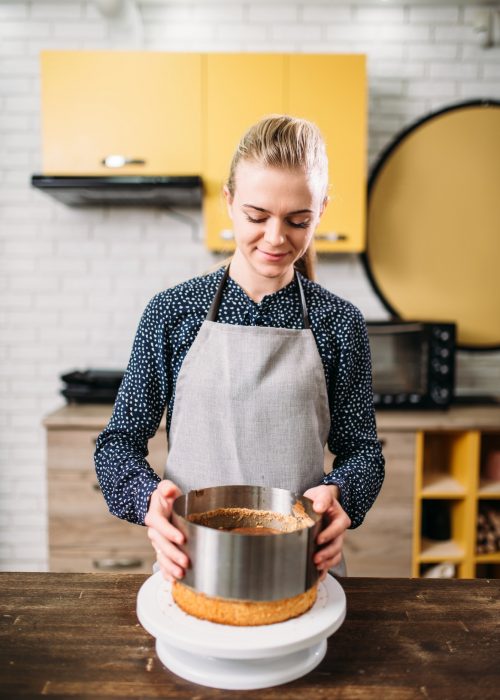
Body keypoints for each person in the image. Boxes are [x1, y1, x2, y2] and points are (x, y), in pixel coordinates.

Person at [94, 114, 385, 583]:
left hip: (299, 568)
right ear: (229, 202)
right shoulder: (173, 312)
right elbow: (117, 445)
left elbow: (363, 452)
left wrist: (343, 496)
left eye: (298, 220)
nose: (275, 238)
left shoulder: (339, 323)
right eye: (256, 216)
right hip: (194, 566)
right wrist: (149, 501)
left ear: (321, 212)